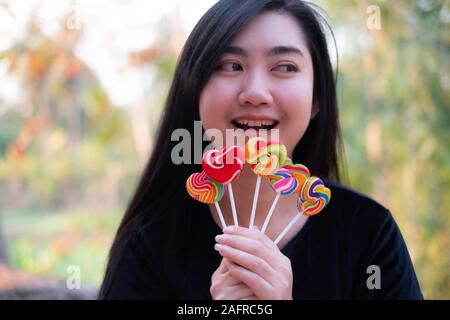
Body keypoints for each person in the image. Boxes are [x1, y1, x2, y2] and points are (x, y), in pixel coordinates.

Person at [98, 0, 423, 300]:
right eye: (230, 65)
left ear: (316, 99)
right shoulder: (149, 244)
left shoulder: (369, 235)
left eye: (284, 67)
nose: (255, 93)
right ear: (194, 91)